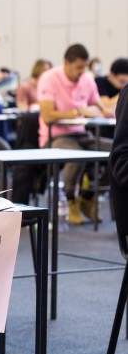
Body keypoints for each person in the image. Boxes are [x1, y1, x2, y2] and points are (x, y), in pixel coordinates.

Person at [37, 43, 113, 224]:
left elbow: (99, 106)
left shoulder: (87, 79)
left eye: (84, 67)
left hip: (80, 133)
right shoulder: (49, 78)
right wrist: (77, 111)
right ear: (66, 63)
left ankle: (88, 196)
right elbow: (47, 116)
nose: (82, 72)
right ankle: (71, 201)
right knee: (77, 156)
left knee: (118, 153)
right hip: (55, 136)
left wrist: (103, 110)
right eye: (78, 67)